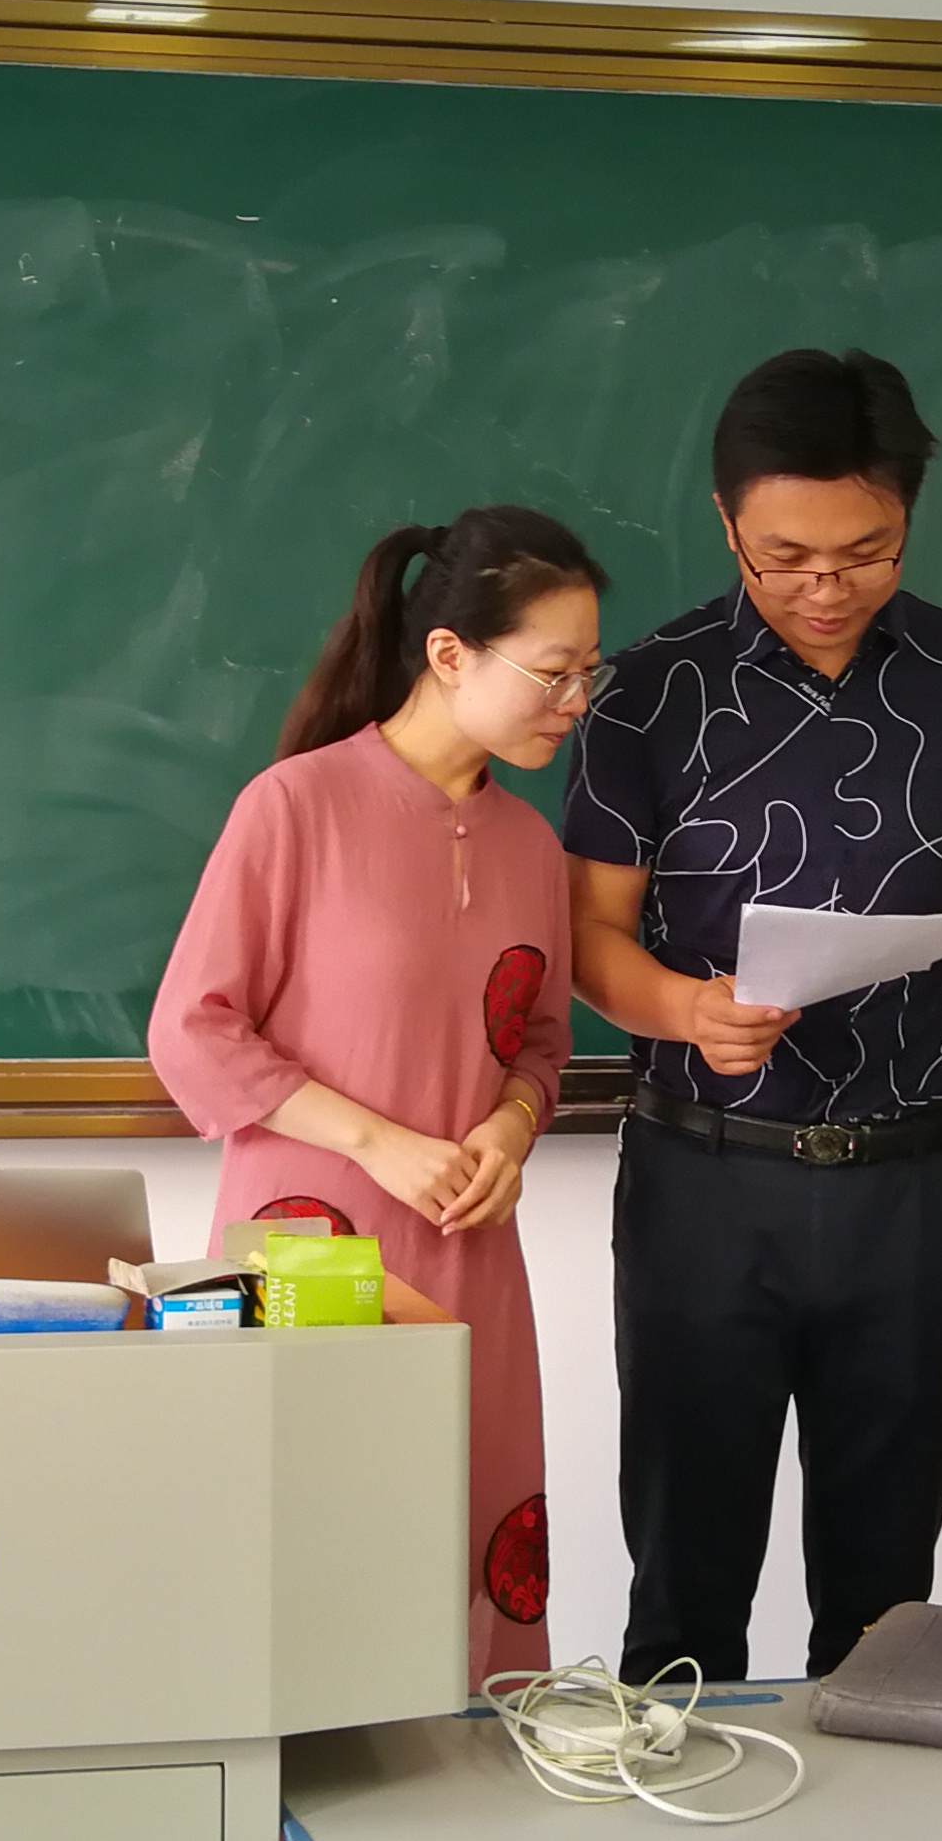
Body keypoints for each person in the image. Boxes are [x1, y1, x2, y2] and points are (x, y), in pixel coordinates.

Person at [565, 349, 942, 1687]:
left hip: (910, 1180)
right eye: (784, 558)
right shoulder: (648, 692)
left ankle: (876, 1827)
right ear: (727, 523)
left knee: (886, 1607)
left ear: (908, 520)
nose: (824, 588)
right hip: (703, 1181)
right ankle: (685, 1829)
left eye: (865, 554)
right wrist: (686, 1008)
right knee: (685, 1583)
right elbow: (587, 937)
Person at [150, 505, 604, 1688]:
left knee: (470, 1535)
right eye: (552, 672)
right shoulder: (292, 807)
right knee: (312, 1551)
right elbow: (192, 1030)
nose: (574, 702)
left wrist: (510, 1126)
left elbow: (540, 1043)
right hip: (309, 1250)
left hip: (469, 1251)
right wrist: (378, 1142)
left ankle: (470, 1799)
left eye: (586, 675)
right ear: (449, 653)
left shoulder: (530, 847)